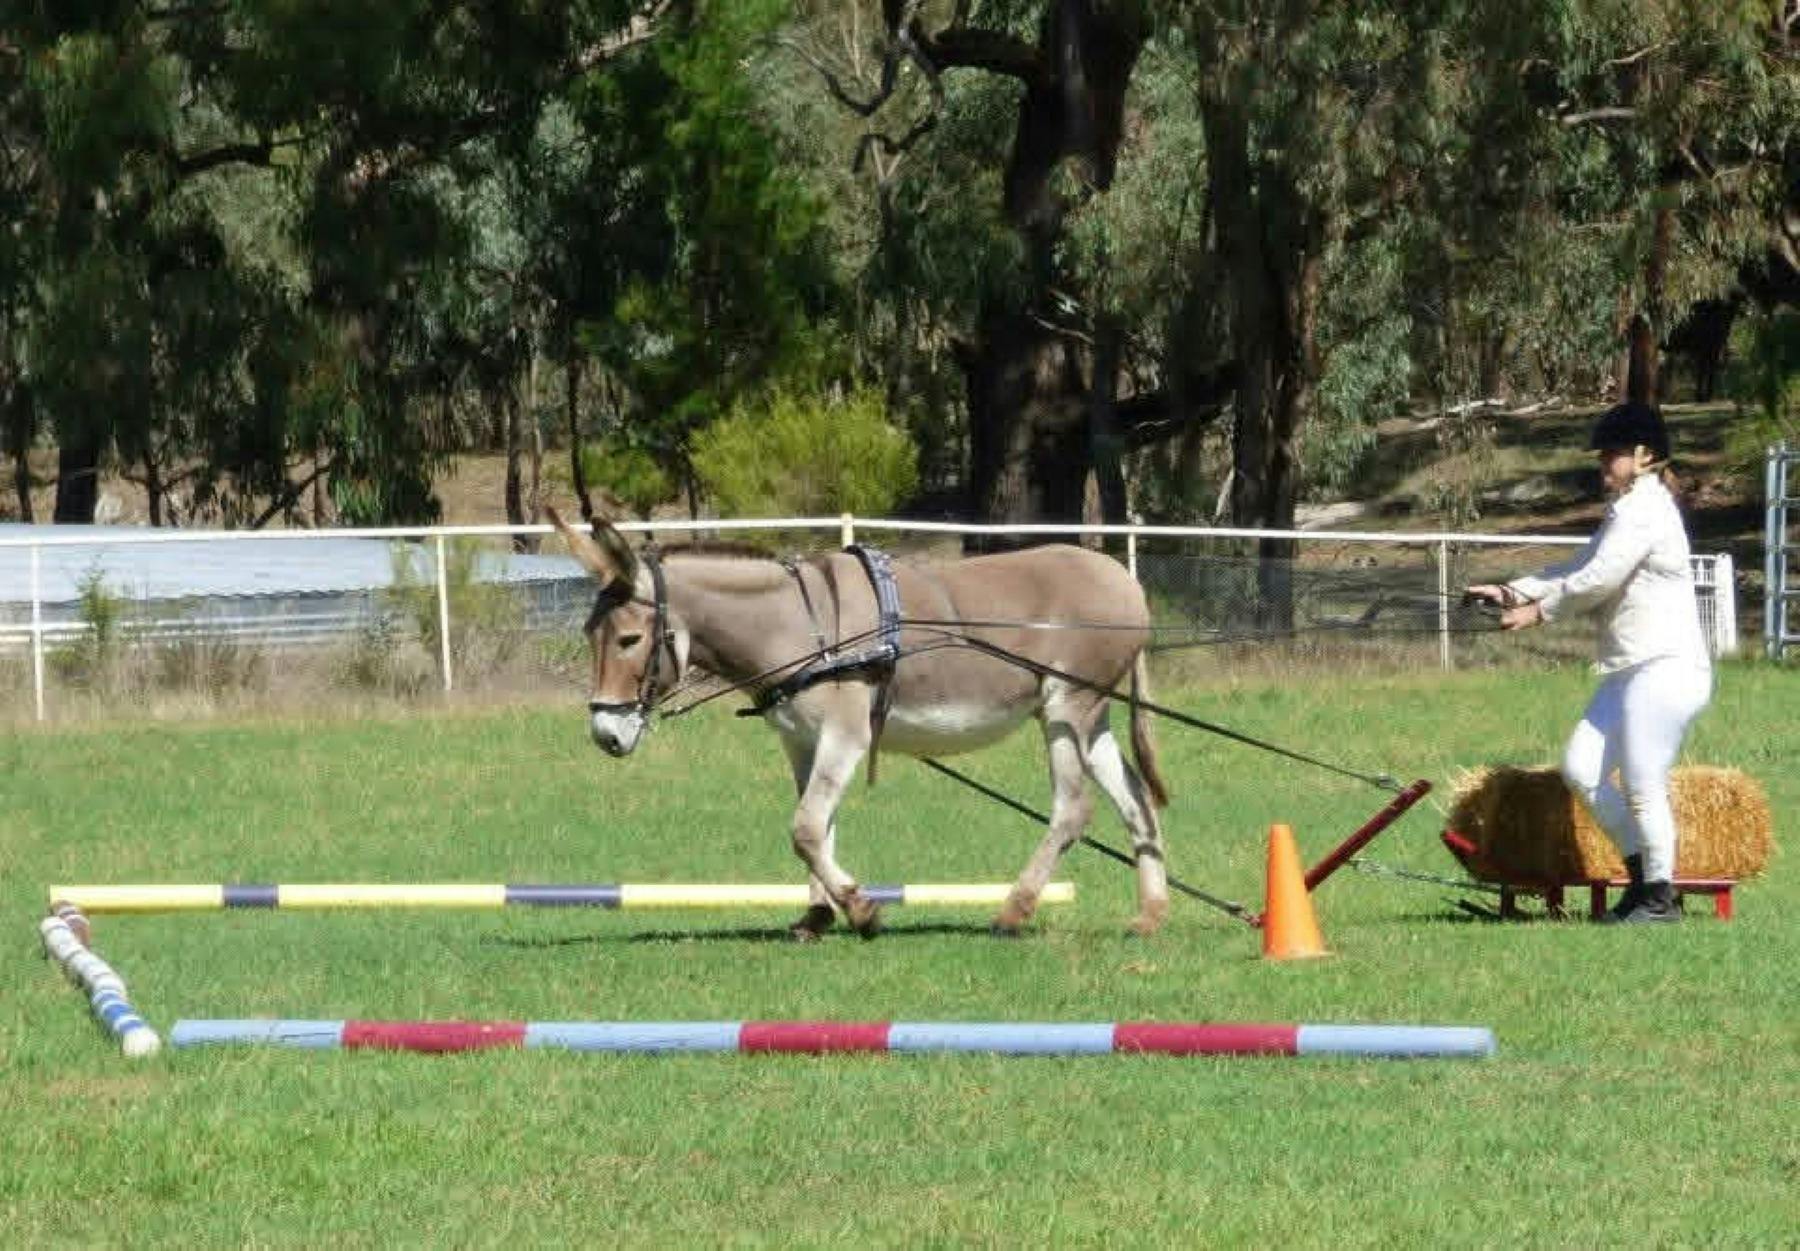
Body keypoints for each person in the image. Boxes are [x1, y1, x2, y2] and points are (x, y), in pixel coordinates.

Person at [1466, 400, 1712, 924]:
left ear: (1645, 456)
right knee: (1582, 767)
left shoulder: (1646, 509)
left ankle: (1661, 899)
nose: (1603, 460)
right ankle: (1641, 884)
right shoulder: (1625, 508)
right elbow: (1581, 564)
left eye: (1613, 452)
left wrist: (1537, 613)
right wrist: (1512, 590)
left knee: (1644, 781)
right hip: (1628, 670)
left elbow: (1601, 578)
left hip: (1665, 667)